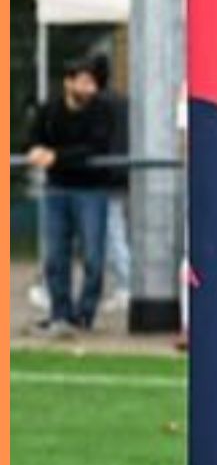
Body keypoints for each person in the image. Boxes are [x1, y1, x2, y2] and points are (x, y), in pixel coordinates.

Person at [24, 56, 118, 336]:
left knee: (93, 257)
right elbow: (32, 140)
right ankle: (60, 314)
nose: (90, 89)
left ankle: (84, 314)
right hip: (57, 190)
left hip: (91, 191)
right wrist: (36, 151)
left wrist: (55, 157)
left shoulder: (102, 111)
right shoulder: (50, 111)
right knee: (55, 257)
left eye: (92, 83)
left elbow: (96, 147)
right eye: (84, 82)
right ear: (69, 82)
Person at [88, 53, 134, 312]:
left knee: (113, 233)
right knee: (119, 232)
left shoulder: (101, 103)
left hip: (108, 174)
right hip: (122, 172)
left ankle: (127, 284)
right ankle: (124, 283)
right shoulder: (122, 101)